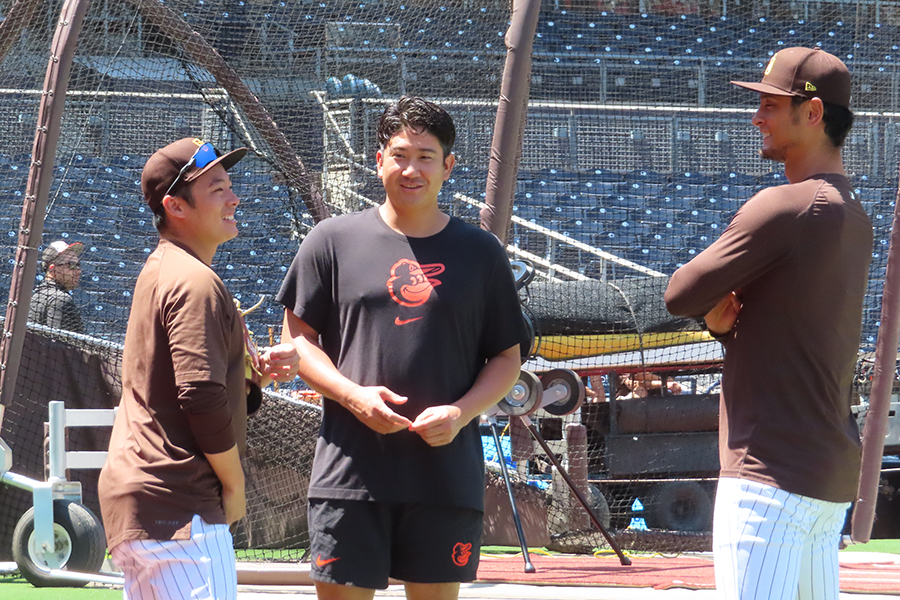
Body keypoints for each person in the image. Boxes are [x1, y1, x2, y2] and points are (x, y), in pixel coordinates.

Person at [277, 96, 526, 600]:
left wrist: (459, 413)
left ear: (448, 166)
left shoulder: (480, 253)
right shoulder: (331, 241)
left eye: (426, 156)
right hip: (349, 476)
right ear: (378, 160)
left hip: (444, 479)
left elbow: (507, 358)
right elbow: (297, 340)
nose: (411, 169)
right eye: (399, 154)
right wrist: (352, 396)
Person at [664, 47, 873, 600]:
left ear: (812, 113)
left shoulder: (786, 205)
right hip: (822, 476)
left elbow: (679, 293)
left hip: (768, 477)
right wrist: (723, 325)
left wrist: (710, 314)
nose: (757, 116)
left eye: (770, 104)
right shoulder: (854, 214)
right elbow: (789, 325)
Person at [98, 138, 300, 600]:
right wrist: (234, 485)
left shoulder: (166, 267)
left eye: (229, 185)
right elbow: (199, 396)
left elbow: (180, 384)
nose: (234, 198)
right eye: (216, 189)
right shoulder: (194, 282)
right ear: (175, 206)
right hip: (179, 498)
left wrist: (254, 375)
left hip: (147, 495)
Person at [29, 239, 84, 333]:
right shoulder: (61, 299)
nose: (78, 271)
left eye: (78, 265)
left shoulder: (34, 297)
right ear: (53, 269)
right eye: (71, 265)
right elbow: (60, 345)